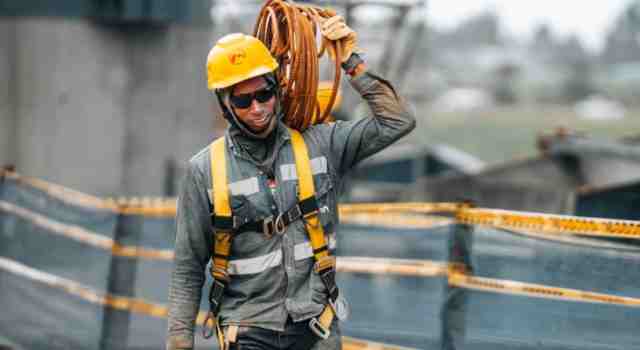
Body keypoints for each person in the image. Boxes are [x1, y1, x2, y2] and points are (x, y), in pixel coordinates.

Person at [167, 15, 416, 350]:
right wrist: (179, 341)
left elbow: (397, 121)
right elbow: (187, 268)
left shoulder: (323, 144)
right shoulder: (204, 170)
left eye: (264, 94)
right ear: (225, 105)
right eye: (242, 101)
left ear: (276, 88)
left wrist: (350, 62)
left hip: (317, 328)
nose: (257, 108)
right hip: (248, 329)